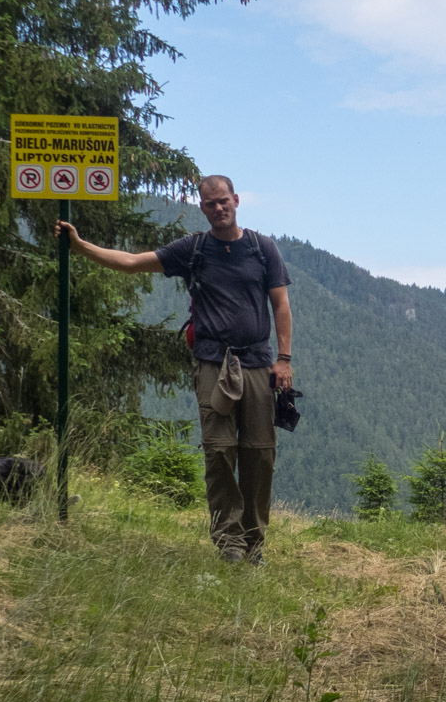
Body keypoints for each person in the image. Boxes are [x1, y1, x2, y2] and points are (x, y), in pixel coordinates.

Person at [56, 175, 293, 564]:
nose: (218, 208)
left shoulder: (261, 248)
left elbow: (280, 305)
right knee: (219, 453)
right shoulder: (194, 249)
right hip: (212, 364)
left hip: (257, 364)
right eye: (210, 204)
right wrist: (80, 247)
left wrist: (283, 360)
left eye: (223, 201)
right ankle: (230, 543)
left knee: (260, 456)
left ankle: (254, 544)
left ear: (236, 200)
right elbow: (133, 263)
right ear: (202, 207)